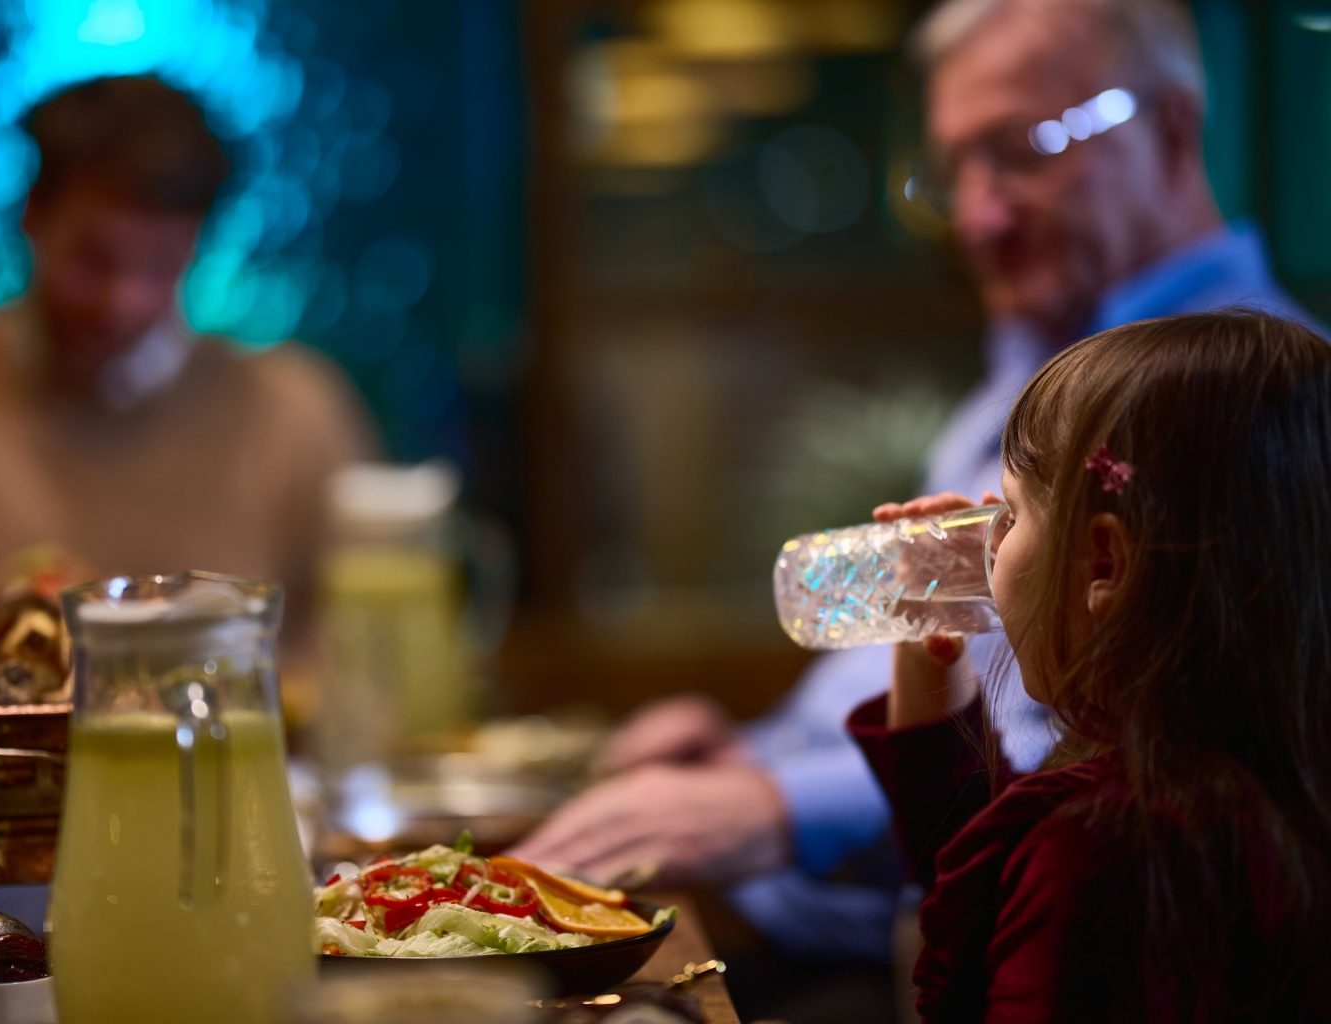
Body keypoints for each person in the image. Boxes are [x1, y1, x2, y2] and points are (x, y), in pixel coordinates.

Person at [510, 0, 1321, 970]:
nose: (976, 214)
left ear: (1174, 129)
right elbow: (942, 682)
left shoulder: (1261, 417)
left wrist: (773, 805)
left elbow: (1085, 772)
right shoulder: (1011, 387)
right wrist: (752, 751)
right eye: (955, 169)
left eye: (1025, 148)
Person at [0, 75, 374, 679]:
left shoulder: (298, 412)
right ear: (33, 215)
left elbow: (357, 666)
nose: (121, 300)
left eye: (159, 264)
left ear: (196, 247)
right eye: (94, 258)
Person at [851, 309, 1331, 1020]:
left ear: (1105, 561)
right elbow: (985, 876)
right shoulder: (1266, 789)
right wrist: (931, 656)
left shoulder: (1104, 853)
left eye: (1009, 517)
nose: (986, 546)